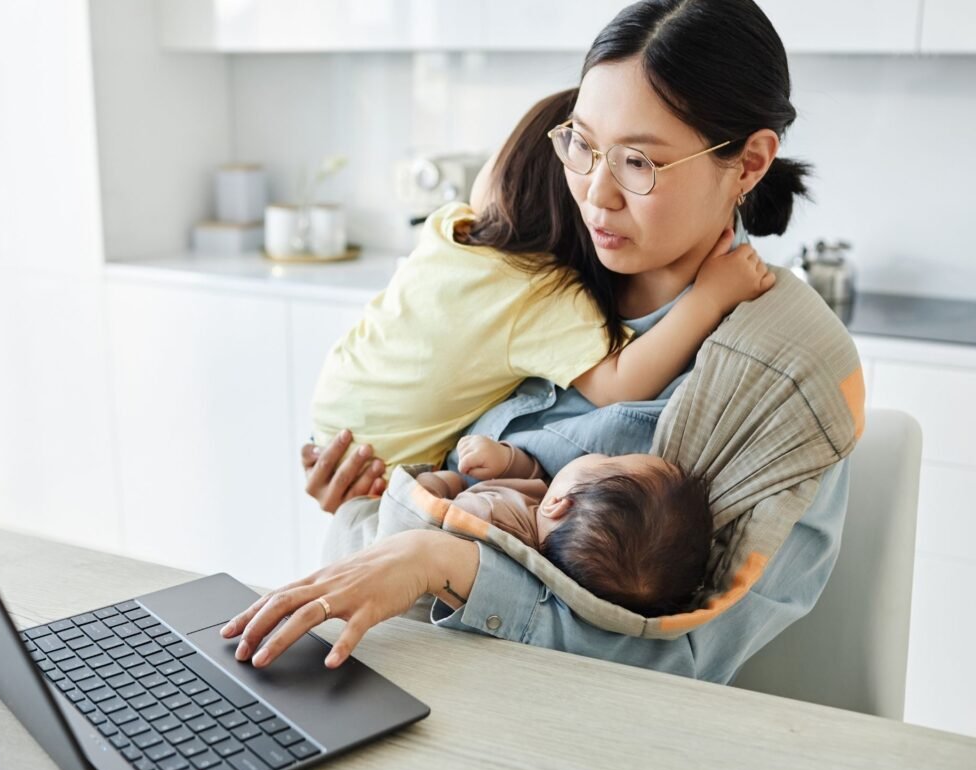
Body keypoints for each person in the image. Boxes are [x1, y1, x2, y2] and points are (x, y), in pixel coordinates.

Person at [221, 0, 850, 684]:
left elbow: (677, 659)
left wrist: (444, 564)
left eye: (639, 162)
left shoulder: (784, 371)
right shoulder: (534, 268)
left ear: (751, 162)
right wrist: (366, 486)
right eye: (582, 144)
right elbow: (423, 466)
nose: (596, 194)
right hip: (386, 672)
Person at [311, 88, 773, 474]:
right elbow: (620, 386)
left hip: (333, 417)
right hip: (381, 462)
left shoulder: (449, 227)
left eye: (637, 161)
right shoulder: (541, 293)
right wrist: (710, 297)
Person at [415, 434, 713, 617]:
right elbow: (541, 482)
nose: (599, 454)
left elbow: (420, 515)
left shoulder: (482, 517)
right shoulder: (550, 529)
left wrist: (441, 481)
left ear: (557, 504)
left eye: (609, 458)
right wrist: (508, 462)